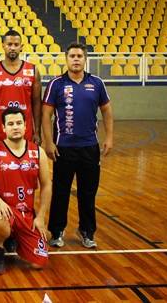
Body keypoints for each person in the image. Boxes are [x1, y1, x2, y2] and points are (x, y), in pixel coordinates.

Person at [42, 42, 114, 248]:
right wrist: (48, 142)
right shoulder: (56, 84)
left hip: (89, 147)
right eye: (72, 56)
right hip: (63, 148)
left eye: (79, 56)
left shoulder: (97, 83)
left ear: (85, 59)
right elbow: (46, 115)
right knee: (61, 192)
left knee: (88, 192)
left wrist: (109, 138)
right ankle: (57, 231)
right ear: (66, 59)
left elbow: (107, 111)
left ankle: (87, 231)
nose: (75, 59)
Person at [0, 107, 52, 274]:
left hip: (26, 213)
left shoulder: (38, 152)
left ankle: (15, 237)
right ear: (3, 128)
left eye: (19, 123)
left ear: (26, 126)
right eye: (10, 124)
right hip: (3, 208)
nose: (15, 127)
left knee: (39, 263)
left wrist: (41, 217)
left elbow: (47, 185)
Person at [0, 29, 42, 144]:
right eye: (9, 44)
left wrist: (37, 131)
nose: (13, 48)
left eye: (16, 44)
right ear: (3, 46)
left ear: (21, 47)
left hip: (26, 132)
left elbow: (37, 103)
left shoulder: (33, 70)